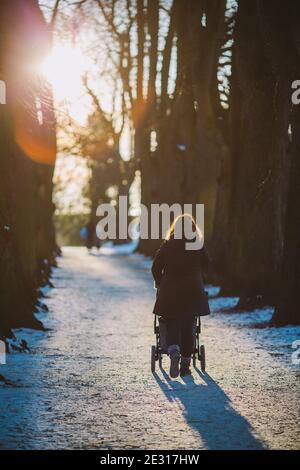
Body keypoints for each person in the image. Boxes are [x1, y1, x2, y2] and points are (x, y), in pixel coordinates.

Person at [151, 214, 210, 378]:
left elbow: (155, 267)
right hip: (192, 292)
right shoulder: (197, 245)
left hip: (170, 291)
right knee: (188, 325)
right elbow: (207, 264)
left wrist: (160, 282)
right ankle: (185, 363)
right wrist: (200, 279)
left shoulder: (168, 245)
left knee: (171, 322)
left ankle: (173, 350)